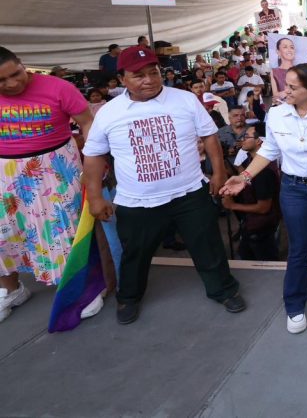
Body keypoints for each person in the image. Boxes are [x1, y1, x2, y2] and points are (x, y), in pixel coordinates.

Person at [82, 45, 245, 324]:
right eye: (138, 75)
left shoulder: (184, 100)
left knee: (207, 245)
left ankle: (223, 290)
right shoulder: (109, 113)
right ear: (122, 79)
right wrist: (96, 197)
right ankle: (129, 297)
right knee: (135, 253)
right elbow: (94, 155)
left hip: (190, 193)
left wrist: (217, 172)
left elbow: (209, 136)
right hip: (137, 201)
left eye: (153, 72)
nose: (149, 80)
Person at [222, 64, 307, 334]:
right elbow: (269, 150)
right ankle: (294, 304)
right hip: (293, 188)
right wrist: (244, 177)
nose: (284, 91)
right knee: (298, 247)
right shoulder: (276, 114)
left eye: (293, 87)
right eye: (285, 85)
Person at [0, 46, 97, 322]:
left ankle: (76, 291)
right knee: (4, 233)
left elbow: (87, 123)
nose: (12, 83)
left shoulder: (58, 88)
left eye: (15, 74)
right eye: (1, 81)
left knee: (61, 231)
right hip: (4, 170)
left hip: (55, 166)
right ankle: (11, 290)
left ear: (22, 63)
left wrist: (92, 162)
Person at [221, 122, 281, 261]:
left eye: (246, 136)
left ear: (259, 141)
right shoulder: (250, 162)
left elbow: (263, 207)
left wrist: (232, 206)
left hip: (261, 228)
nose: (242, 139)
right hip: (252, 226)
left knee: (266, 266)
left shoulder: (263, 171)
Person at [271, 36, 297, 103]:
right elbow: (275, 95)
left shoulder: (300, 70)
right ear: (278, 52)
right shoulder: (274, 71)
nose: (289, 50)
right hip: (282, 106)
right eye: (285, 47)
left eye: (292, 47)